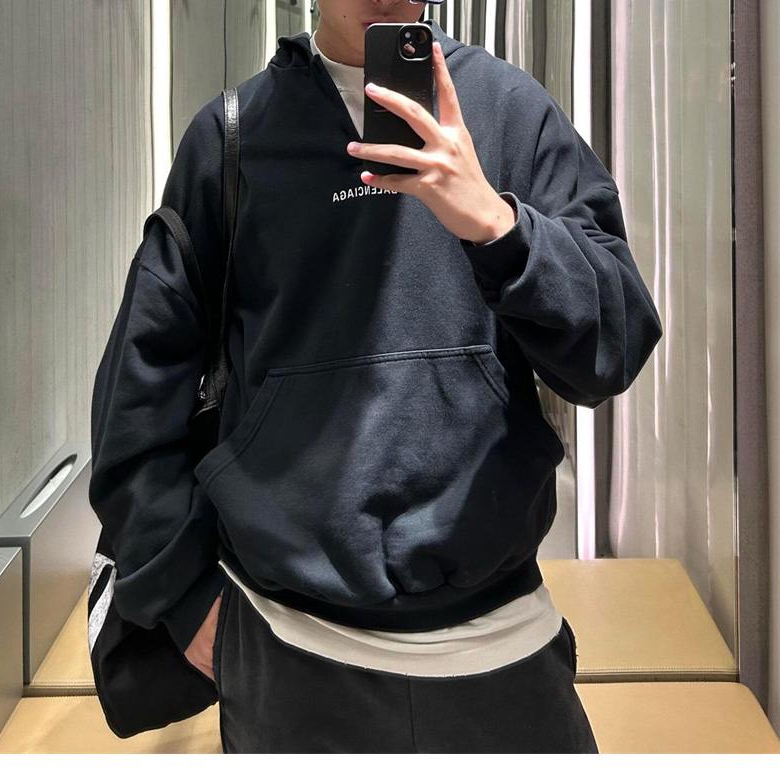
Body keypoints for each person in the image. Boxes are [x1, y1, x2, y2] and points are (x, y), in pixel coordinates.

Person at [89, 0, 663, 754]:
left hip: (504, 639)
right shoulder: (233, 137)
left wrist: (499, 227)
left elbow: (615, 344)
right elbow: (136, 398)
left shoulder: (511, 112)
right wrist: (185, 597)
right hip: (287, 647)